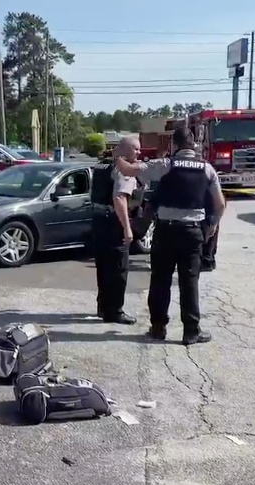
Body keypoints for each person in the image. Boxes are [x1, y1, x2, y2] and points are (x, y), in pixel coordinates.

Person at [115, 128, 226, 345]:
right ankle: (191, 332)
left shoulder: (165, 165)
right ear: (193, 145)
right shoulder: (207, 169)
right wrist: (211, 225)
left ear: (174, 145)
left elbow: (128, 170)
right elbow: (220, 203)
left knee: (160, 280)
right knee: (189, 281)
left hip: (166, 231)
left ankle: (158, 328)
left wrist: (118, 156)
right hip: (193, 232)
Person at [90, 137, 140, 324]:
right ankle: (115, 311)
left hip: (98, 219)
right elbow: (119, 198)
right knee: (119, 268)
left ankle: (103, 307)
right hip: (113, 222)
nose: (139, 153)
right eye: (136, 149)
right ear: (126, 149)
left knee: (103, 267)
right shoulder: (123, 169)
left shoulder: (102, 165)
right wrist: (127, 228)